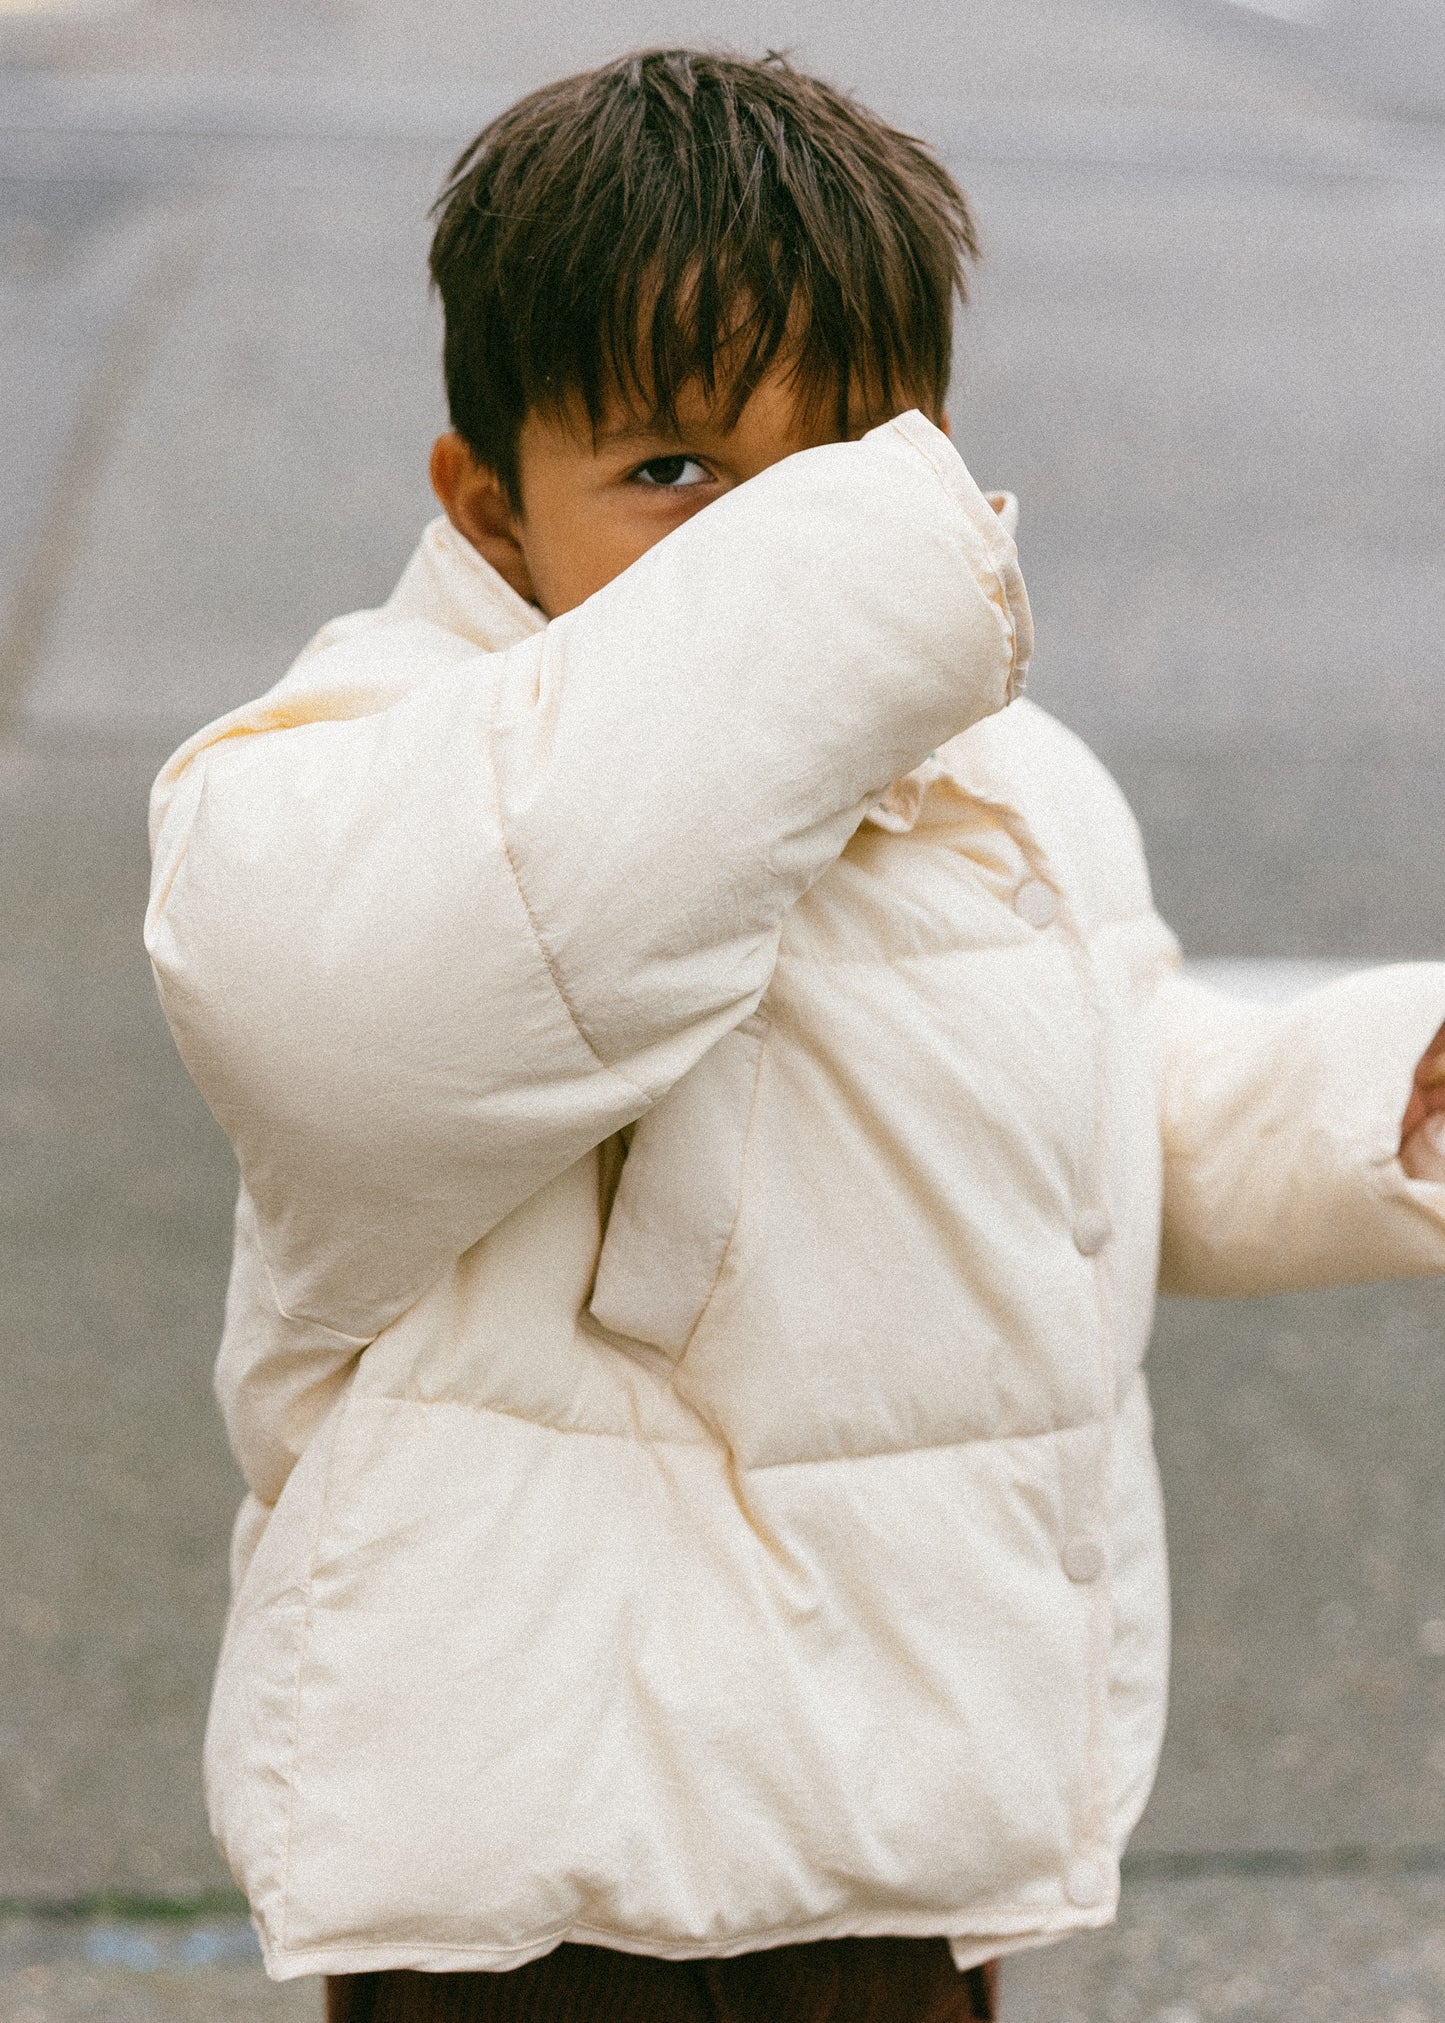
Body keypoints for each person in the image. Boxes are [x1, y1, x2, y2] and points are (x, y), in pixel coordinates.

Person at [144, 48, 1445, 2023]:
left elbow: (1089, 1094)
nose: (769, 547)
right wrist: (835, 591)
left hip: (895, 1826)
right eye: (676, 474)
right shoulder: (358, 776)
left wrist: (1371, 1092)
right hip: (537, 1879)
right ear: (489, 510)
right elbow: (409, 986)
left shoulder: (1006, 787)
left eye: (842, 468)